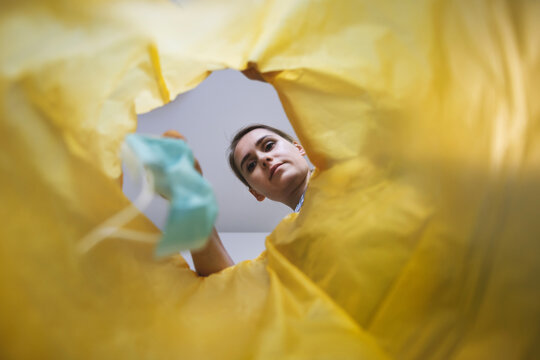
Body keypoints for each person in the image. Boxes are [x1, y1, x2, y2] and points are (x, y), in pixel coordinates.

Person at [163, 124, 311, 276]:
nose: (263, 159)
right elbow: (234, 291)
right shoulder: (291, 247)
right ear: (256, 193)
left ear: (299, 147)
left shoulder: (335, 167)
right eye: (251, 165)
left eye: (269, 146)